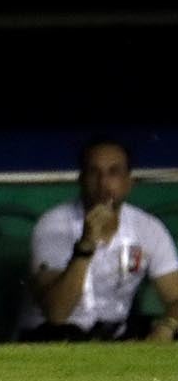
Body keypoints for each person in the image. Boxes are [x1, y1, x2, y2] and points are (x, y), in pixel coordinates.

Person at [21, 138, 178, 342]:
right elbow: (57, 313)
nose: (103, 183)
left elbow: (175, 297)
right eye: (94, 172)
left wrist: (166, 327)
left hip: (114, 338)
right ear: (81, 179)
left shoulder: (148, 227)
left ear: (129, 182)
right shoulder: (53, 225)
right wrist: (86, 245)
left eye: (113, 172)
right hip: (52, 337)